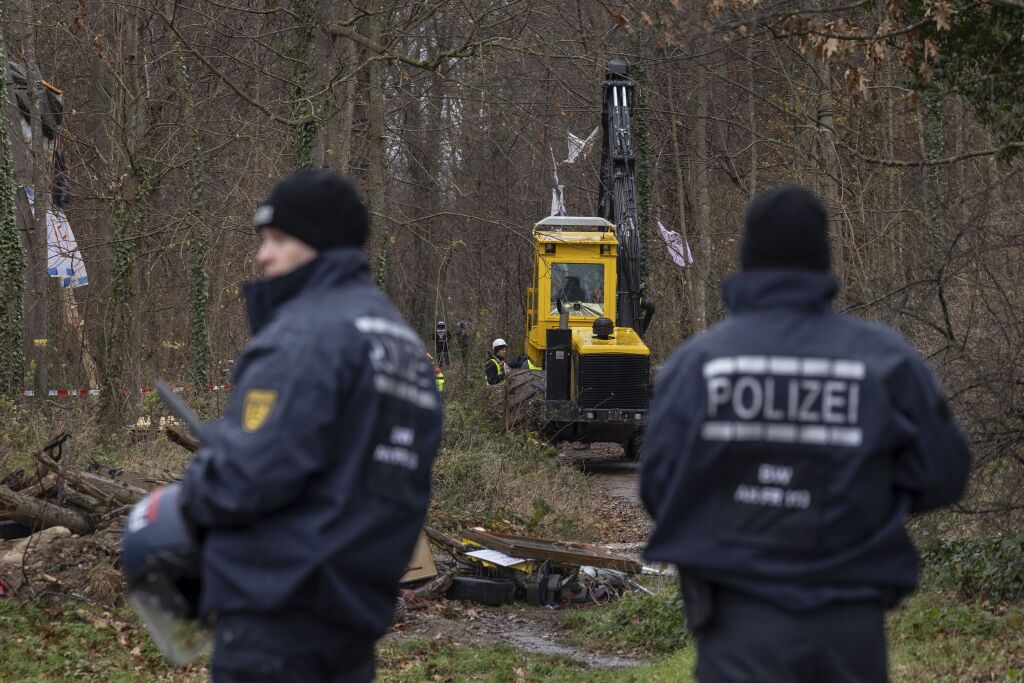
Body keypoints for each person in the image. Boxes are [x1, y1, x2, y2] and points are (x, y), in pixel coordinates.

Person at [640, 184, 971, 683]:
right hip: (849, 624)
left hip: (736, 625)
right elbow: (945, 472)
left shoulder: (697, 366)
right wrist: (866, 498)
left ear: (747, 259)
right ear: (822, 261)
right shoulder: (883, 361)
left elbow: (658, 485)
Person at [177, 169, 442, 682]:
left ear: (318, 244)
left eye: (278, 239)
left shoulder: (304, 336)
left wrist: (187, 495)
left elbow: (242, 479)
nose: (263, 255)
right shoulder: (403, 347)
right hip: (354, 621)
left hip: (276, 619)